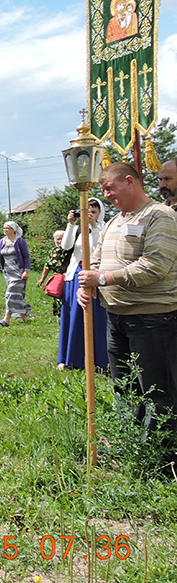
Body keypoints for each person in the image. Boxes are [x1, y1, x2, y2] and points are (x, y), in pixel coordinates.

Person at [78, 163, 177, 467]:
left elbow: (155, 267)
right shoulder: (114, 223)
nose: (105, 195)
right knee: (125, 388)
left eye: (109, 188)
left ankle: (162, 460)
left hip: (152, 319)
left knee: (157, 390)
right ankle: (132, 448)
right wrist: (87, 287)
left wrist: (104, 280)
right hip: (116, 317)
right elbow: (94, 261)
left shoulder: (160, 216)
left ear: (130, 181)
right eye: (103, 189)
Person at [57, 200, 109, 370]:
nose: (90, 215)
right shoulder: (79, 230)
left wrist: (93, 226)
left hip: (93, 276)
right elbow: (65, 246)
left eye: (94, 212)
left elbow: (96, 249)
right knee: (72, 317)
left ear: (100, 213)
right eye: (87, 211)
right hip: (74, 276)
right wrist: (71, 225)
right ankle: (70, 358)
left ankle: (99, 360)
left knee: (94, 318)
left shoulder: (103, 230)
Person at [0, 221, 31, 326]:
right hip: (7, 272)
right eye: (4, 228)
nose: (5, 230)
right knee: (16, 295)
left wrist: (26, 271)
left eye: (7, 228)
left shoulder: (20, 241)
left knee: (9, 294)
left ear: (13, 230)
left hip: (18, 272)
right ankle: (24, 314)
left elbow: (26, 256)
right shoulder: (2, 241)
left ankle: (6, 319)